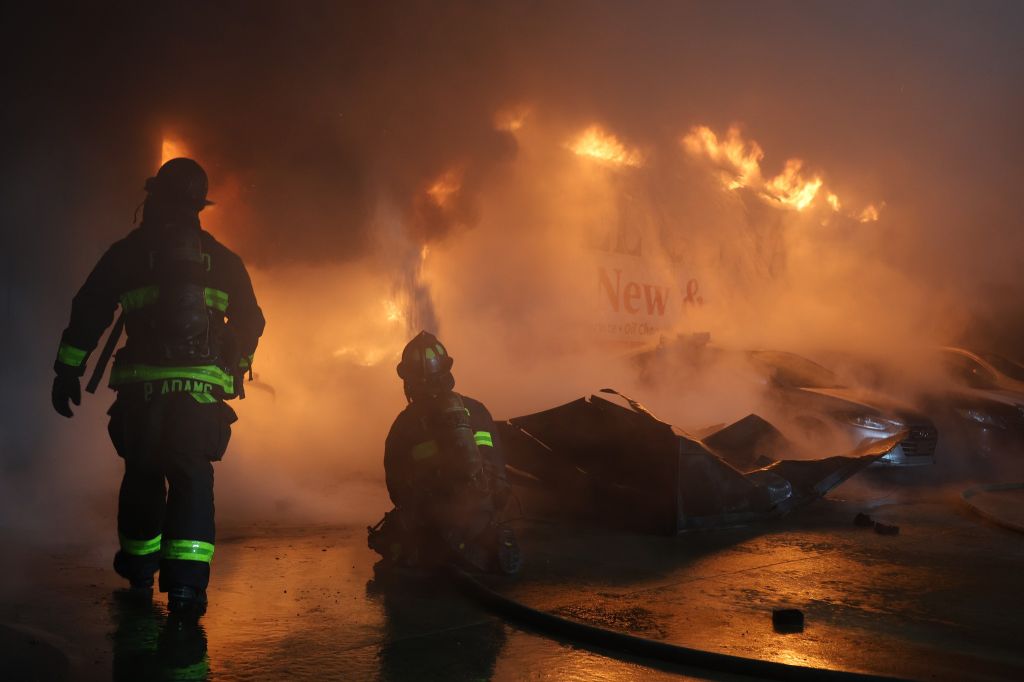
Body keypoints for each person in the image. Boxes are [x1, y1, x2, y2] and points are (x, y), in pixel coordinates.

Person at [51, 157, 265, 615]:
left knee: (142, 475)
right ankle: (187, 589)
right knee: (192, 480)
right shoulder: (223, 260)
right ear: (198, 206)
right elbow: (252, 320)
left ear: (155, 198)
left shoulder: (128, 253)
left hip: (141, 398)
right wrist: (234, 366)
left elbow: (89, 309)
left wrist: (67, 369)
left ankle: (140, 573)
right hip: (198, 400)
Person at [369, 331, 520, 575]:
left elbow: (396, 490)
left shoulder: (404, 424)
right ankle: (490, 541)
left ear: (408, 380)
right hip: (483, 519)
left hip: (434, 527)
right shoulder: (477, 410)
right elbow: (499, 470)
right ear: (447, 371)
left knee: (394, 541)